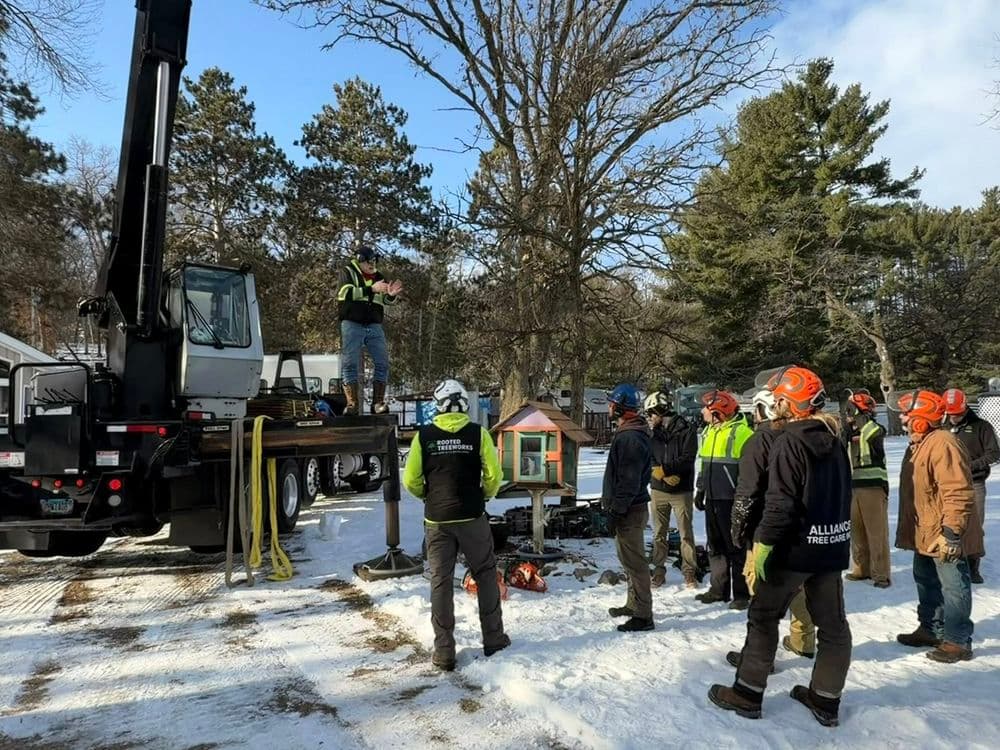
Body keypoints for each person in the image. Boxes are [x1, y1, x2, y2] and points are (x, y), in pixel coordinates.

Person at [709, 366, 852, 727]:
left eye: (780, 399)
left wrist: (763, 544)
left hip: (795, 548)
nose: (776, 405)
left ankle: (746, 693)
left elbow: (780, 502)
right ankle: (825, 698)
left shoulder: (790, 440)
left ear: (790, 402)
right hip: (830, 544)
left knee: (763, 616)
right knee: (833, 627)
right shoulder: (834, 436)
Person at [402, 378, 508, 671]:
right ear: (464, 404)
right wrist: (484, 495)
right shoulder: (478, 434)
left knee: (440, 582)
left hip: (437, 520)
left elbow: (410, 480)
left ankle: (444, 651)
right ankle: (494, 639)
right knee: (485, 574)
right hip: (473, 516)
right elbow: (494, 475)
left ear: (438, 406)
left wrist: (428, 495)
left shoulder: (424, 437)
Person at [894, 389, 982, 663]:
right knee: (925, 580)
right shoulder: (921, 443)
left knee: (954, 585)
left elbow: (958, 491)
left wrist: (951, 534)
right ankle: (931, 628)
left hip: (943, 533)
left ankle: (957, 641)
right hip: (924, 533)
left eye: (908, 415)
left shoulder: (943, 443)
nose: (903, 420)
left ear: (921, 419)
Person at [729, 389, 816, 663]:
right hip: (799, 526)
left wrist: (738, 524)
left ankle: (758, 657)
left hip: (766, 527)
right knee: (797, 586)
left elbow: (747, 489)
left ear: (764, 410)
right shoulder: (802, 437)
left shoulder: (760, 441)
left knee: (761, 594)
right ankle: (804, 640)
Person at [694, 389, 754, 609]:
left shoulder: (742, 433)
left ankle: (742, 594)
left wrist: (743, 501)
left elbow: (749, 472)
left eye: (706, 409)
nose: (702, 412)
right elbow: (704, 465)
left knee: (736, 546)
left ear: (718, 412)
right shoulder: (709, 431)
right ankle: (718, 590)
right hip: (712, 497)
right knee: (715, 545)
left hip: (731, 499)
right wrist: (700, 490)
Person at [602, 383, 655, 632]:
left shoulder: (631, 438)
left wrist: (617, 509)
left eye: (612, 403)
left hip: (630, 509)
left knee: (636, 562)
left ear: (622, 407)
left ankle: (644, 615)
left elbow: (629, 480)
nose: (609, 407)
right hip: (627, 507)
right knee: (628, 560)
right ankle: (634, 604)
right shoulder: (628, 432)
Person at [337, 245, 403, 415]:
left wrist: (391, 295)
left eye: (374, 261)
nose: (372, 264)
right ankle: (352, 404)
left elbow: (385, 300)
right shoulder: (348, 272)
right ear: (360, 261)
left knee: (382, 362)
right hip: (352, 323)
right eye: (369, 261)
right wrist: (371, 289)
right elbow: (345, 293)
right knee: (349, 363)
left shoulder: (379, 277)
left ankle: (378, 403)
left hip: (374, 325)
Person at [943, 387, 999, 584]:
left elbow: (994, 453)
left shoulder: (981, 427)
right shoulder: (943, 427)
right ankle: (952, 561)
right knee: (951, 524)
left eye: (957, 414)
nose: (954, 417)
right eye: (950, 414)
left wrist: (970, 466)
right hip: (948, 485)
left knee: (974, 526)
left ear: (965, 407)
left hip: (974, 483)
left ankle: (974, 566)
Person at [644, 390, 699, 589]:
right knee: (659, 533)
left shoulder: (687, 429)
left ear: (661, 410)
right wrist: (661, 474)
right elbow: (649, 457)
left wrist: (667, 470)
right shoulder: (652, 433)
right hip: (658, 489)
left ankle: (689, 572)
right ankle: (658, 571)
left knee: (686, 533)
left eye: (651, 413)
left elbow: (688, 458)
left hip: (681, 490)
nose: (649, 418)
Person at [843, 390, 891, 588]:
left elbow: (873, 432)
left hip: (873, 487)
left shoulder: (874, 429)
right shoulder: (849, 431)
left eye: (850, 410)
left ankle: (881, 574)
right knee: (857, 532)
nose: (847, 414)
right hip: (853, 486)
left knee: (876, 533)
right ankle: (861, 568)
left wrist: (860, 416)